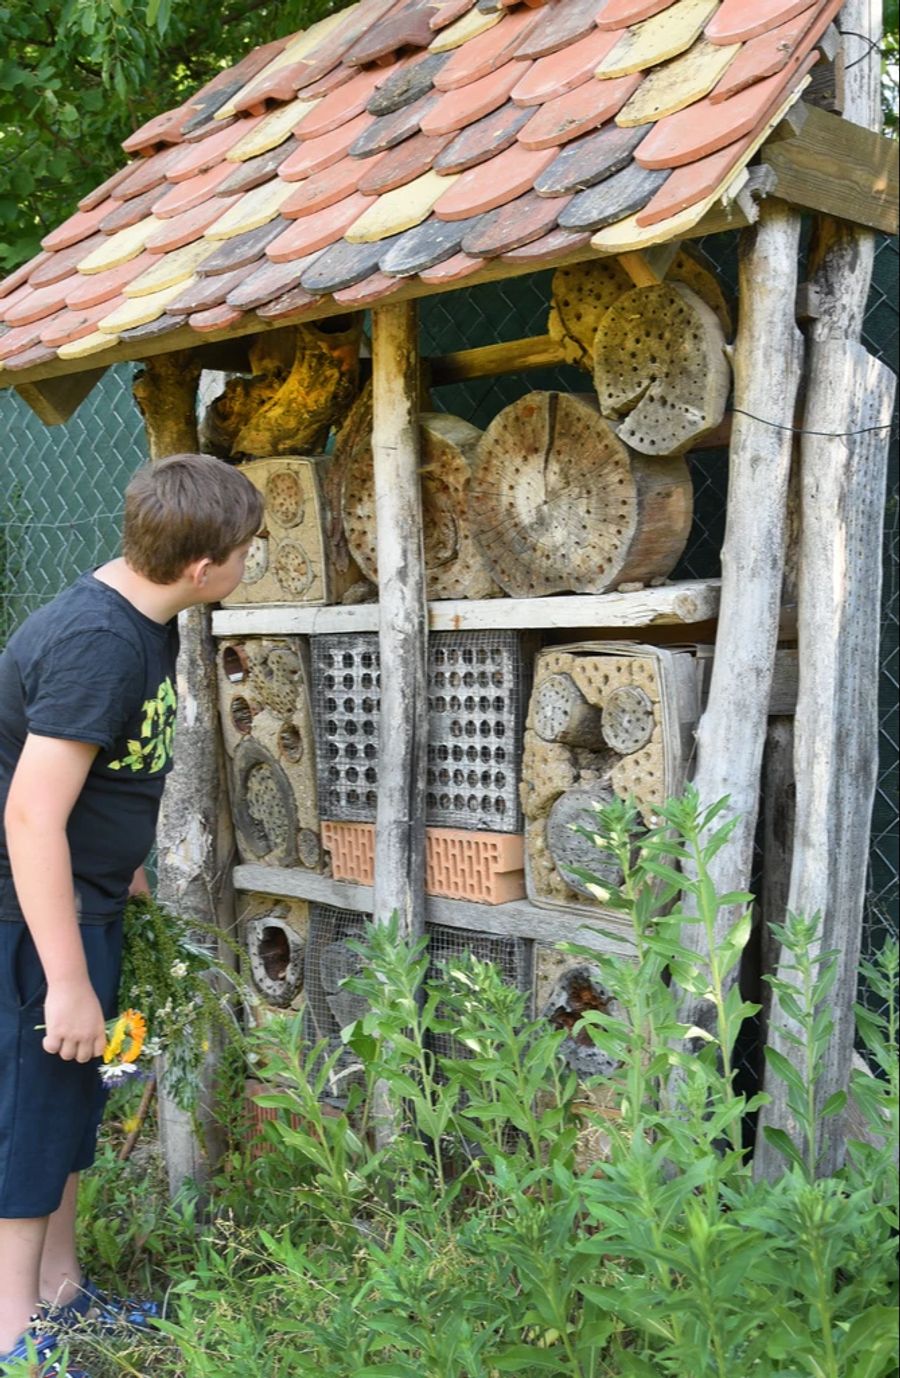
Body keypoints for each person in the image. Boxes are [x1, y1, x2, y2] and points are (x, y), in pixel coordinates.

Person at [0, 453, 263, 1377]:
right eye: (244, 553)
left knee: (70, 1107)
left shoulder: (141, 617)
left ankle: (61, 1293)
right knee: (31, 1116)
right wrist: (66, 979)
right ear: (203, 568)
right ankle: (12, 1338)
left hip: (87, 899)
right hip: (31, 922)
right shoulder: (99, 644)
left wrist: (126, 873)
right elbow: (30, 812)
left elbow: (93, 784)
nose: (247, 565)